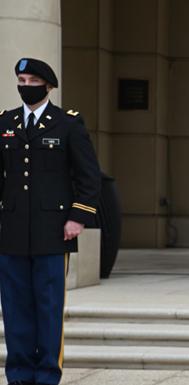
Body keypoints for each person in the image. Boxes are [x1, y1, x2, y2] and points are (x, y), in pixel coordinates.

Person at [0, 58, 102, 385]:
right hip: (11, 231)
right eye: (21, 79)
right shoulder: (6, 121)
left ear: (48, 85)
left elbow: (88, 177)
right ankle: (18, 376)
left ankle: (46, 375)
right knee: (15, 310)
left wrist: (78, 218)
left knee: (47, 307)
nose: (25, 86)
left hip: (53, 231)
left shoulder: (68, 124)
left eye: (32, 80)